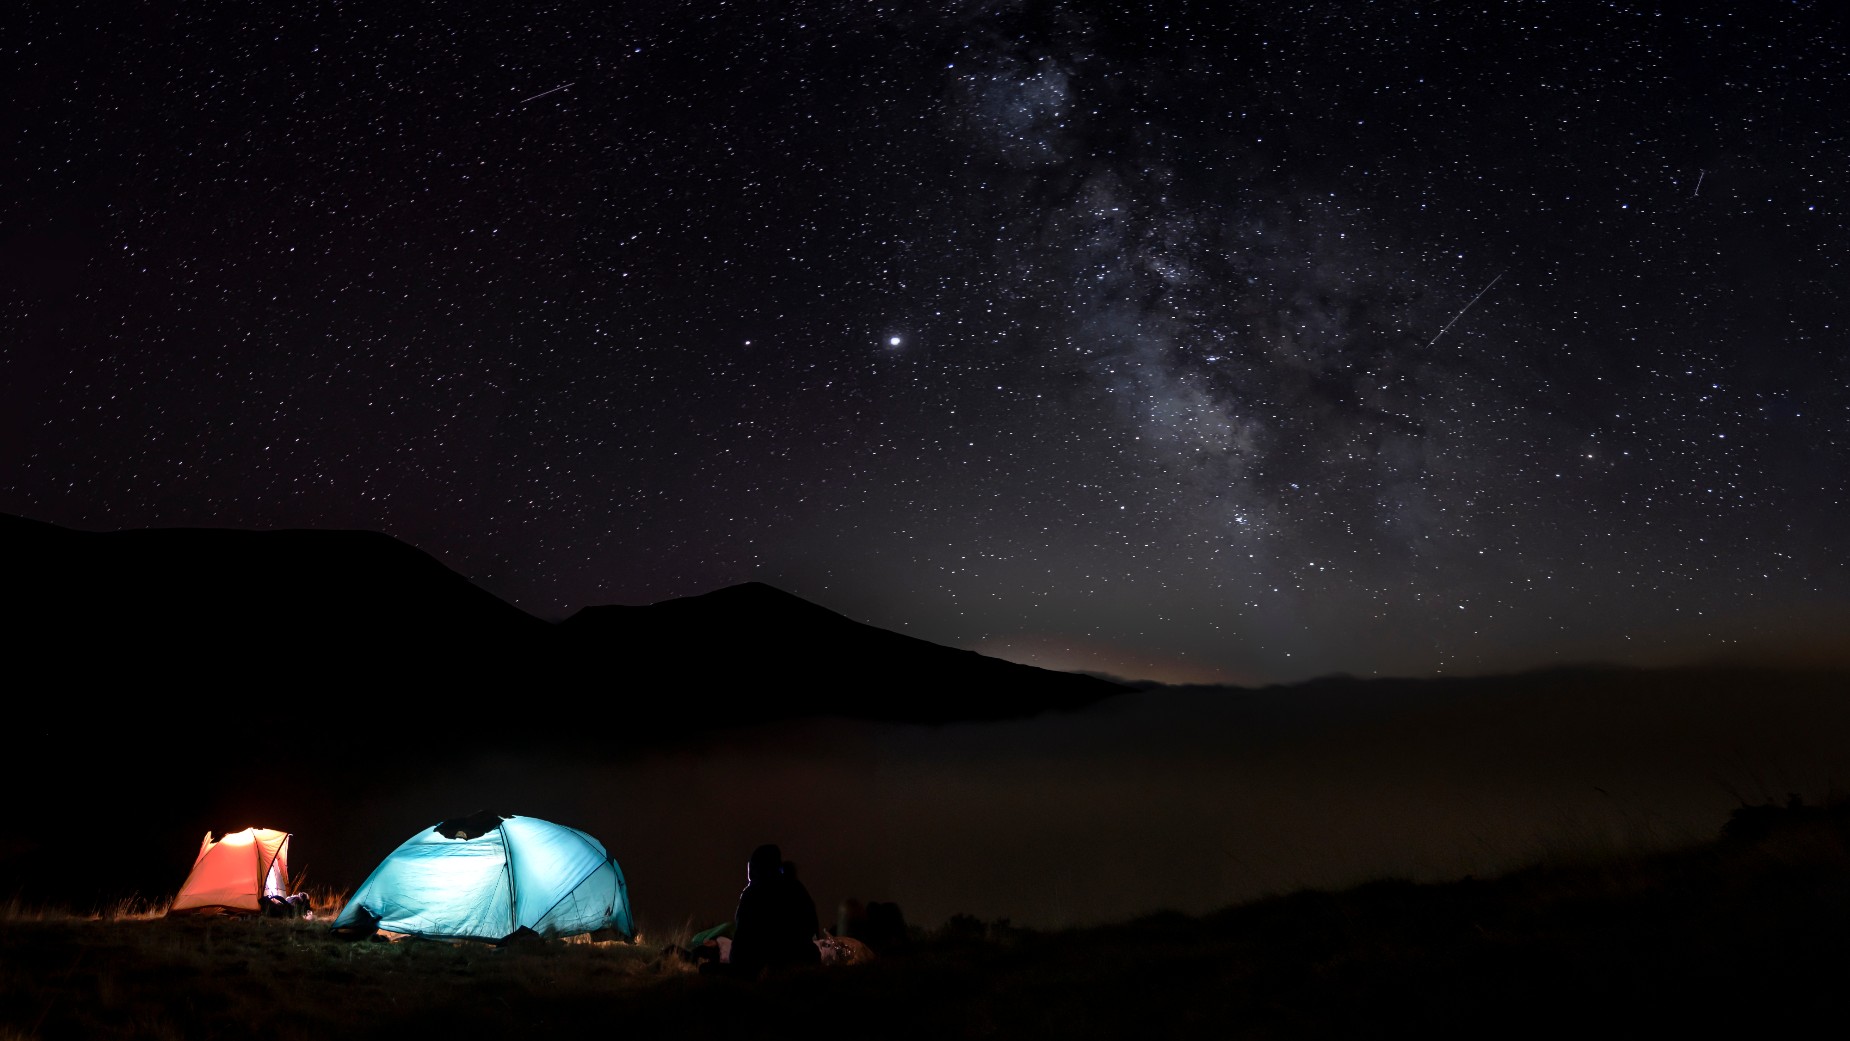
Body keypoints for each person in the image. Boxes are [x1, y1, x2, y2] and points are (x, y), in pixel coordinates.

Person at [721, 843, 821, 978]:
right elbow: (812, 926)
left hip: (762, 967)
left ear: (756, 869)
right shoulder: (796, 888)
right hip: (801, 961)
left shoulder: (753, 895)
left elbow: (741, 940)